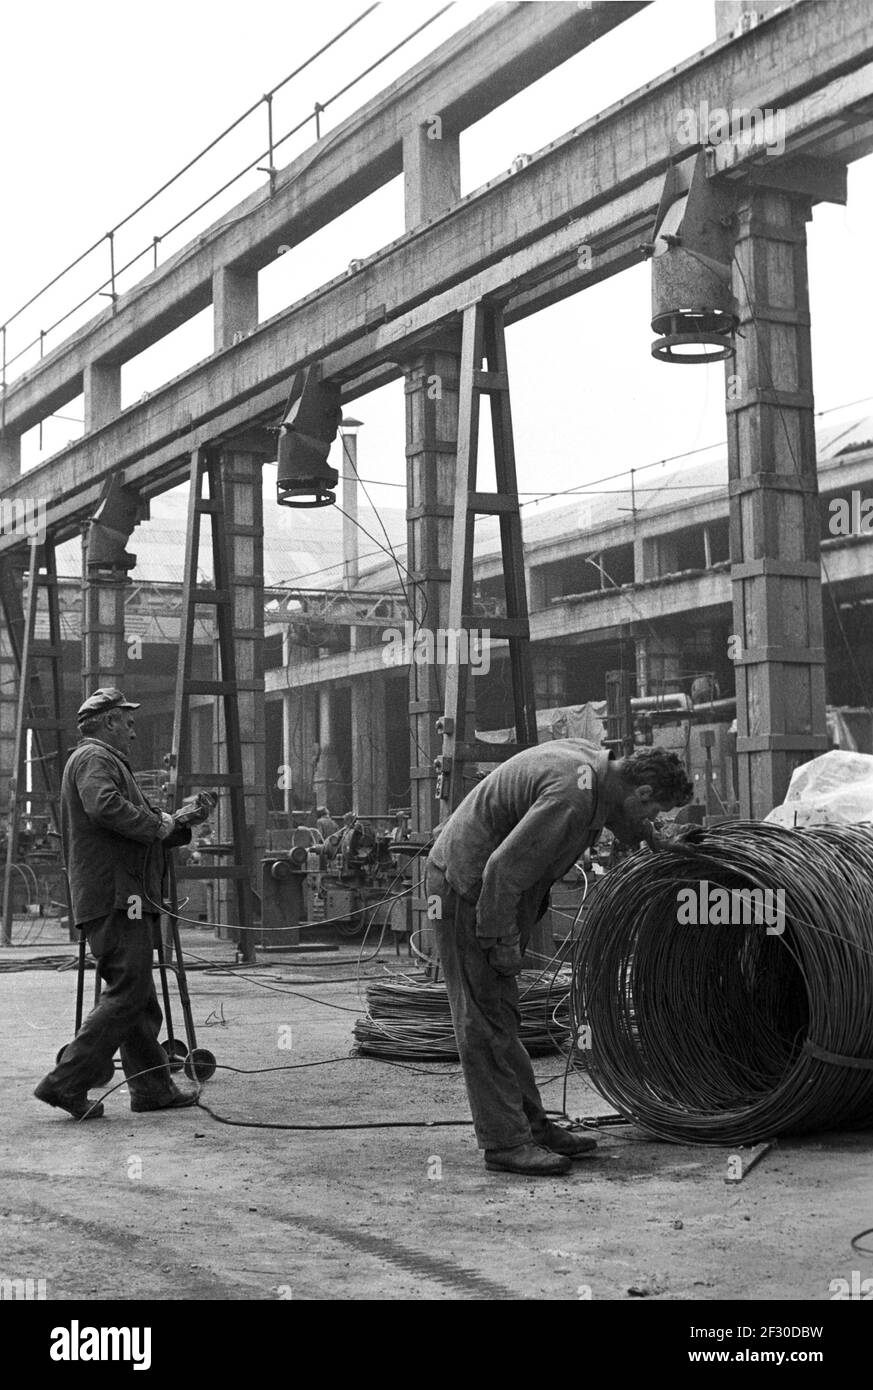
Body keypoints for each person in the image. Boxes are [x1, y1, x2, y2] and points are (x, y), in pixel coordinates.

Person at [425, 740, 694, 1176]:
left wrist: (652, 837)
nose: (648, 820)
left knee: (501, 1017)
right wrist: (500, 941)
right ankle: (505, 1144)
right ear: (640, 793)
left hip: (488, 890)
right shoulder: (573, 795)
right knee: (483, 1019)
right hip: (467, 890)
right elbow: (501, 870)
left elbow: (617, 813)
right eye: (650, 812)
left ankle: (531, 1126)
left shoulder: (597, 771)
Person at [34, 688, 213, 1121]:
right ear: (109, 721)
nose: (133, 731)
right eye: (127, 722)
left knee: (139, 995)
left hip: (125, 895)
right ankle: (65, 1083)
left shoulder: (105, 761)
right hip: (118, 897)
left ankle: (151, 1088)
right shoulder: (95, 759)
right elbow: (105, 807)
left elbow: (136, 821)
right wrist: (156, 824)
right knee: (129, 989)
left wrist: (178, 823)